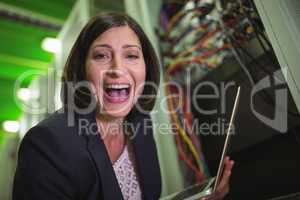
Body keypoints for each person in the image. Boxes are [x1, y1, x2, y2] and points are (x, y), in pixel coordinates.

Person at [12, 12, 233, 200]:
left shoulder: (139, 126)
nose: (117, 68)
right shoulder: (47, 143)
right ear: (81, 71)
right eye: (101, 56)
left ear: (146, 69)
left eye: (131, 55)